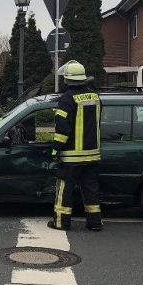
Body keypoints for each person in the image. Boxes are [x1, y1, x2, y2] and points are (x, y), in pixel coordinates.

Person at [48, 60, 102, 231]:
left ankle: (60, 222)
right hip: (92, 154)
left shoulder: (66, 99)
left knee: (64, 189)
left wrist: (56, 148)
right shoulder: (95, 96)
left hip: (72, 156)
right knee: (90, 189)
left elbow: (63, 129)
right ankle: (94, 223)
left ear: (67, 79)